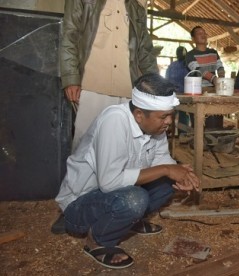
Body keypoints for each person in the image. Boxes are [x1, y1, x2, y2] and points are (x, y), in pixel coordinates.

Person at [55, 73, 200, 269]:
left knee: (167, 182)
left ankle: (129, 221)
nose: (168, 122)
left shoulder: (155, 127)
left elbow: (161, 158)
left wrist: (179, 172)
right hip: (80, 204)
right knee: (135, 198)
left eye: (170, 116)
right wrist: (167, 168)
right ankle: (98, 241)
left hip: (114, 194)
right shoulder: (114, 120)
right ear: (139, 114)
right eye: (164, 117)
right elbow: (109, 182)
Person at [60, 0, 159, 151]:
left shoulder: (136, 7)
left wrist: (157, 88)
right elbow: (69, 36)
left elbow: (145, 51)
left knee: (121, 150)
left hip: (126, 92)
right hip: (92, 87)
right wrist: (70, 77)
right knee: (85, 149)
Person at [186, 26, 225, 129]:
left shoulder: (213, 52)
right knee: (201, 124)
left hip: (214, 91)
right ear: (193, 39)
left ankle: (215, 139)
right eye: (199, 33)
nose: (203, 35)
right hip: (199, 91)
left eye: (204, 33)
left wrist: (221, 79)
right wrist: (214, 79)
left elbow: (220, 67)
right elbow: (198, 70)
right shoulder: (190, 55)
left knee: (216, 121)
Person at [165, 46, 189, 134]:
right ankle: (183, 135)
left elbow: (166, 78)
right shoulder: (186, 65)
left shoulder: (172, 65)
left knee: (171, 114)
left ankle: (169, 134)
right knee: (183, 115)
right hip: (183, 95)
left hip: (172, 94)